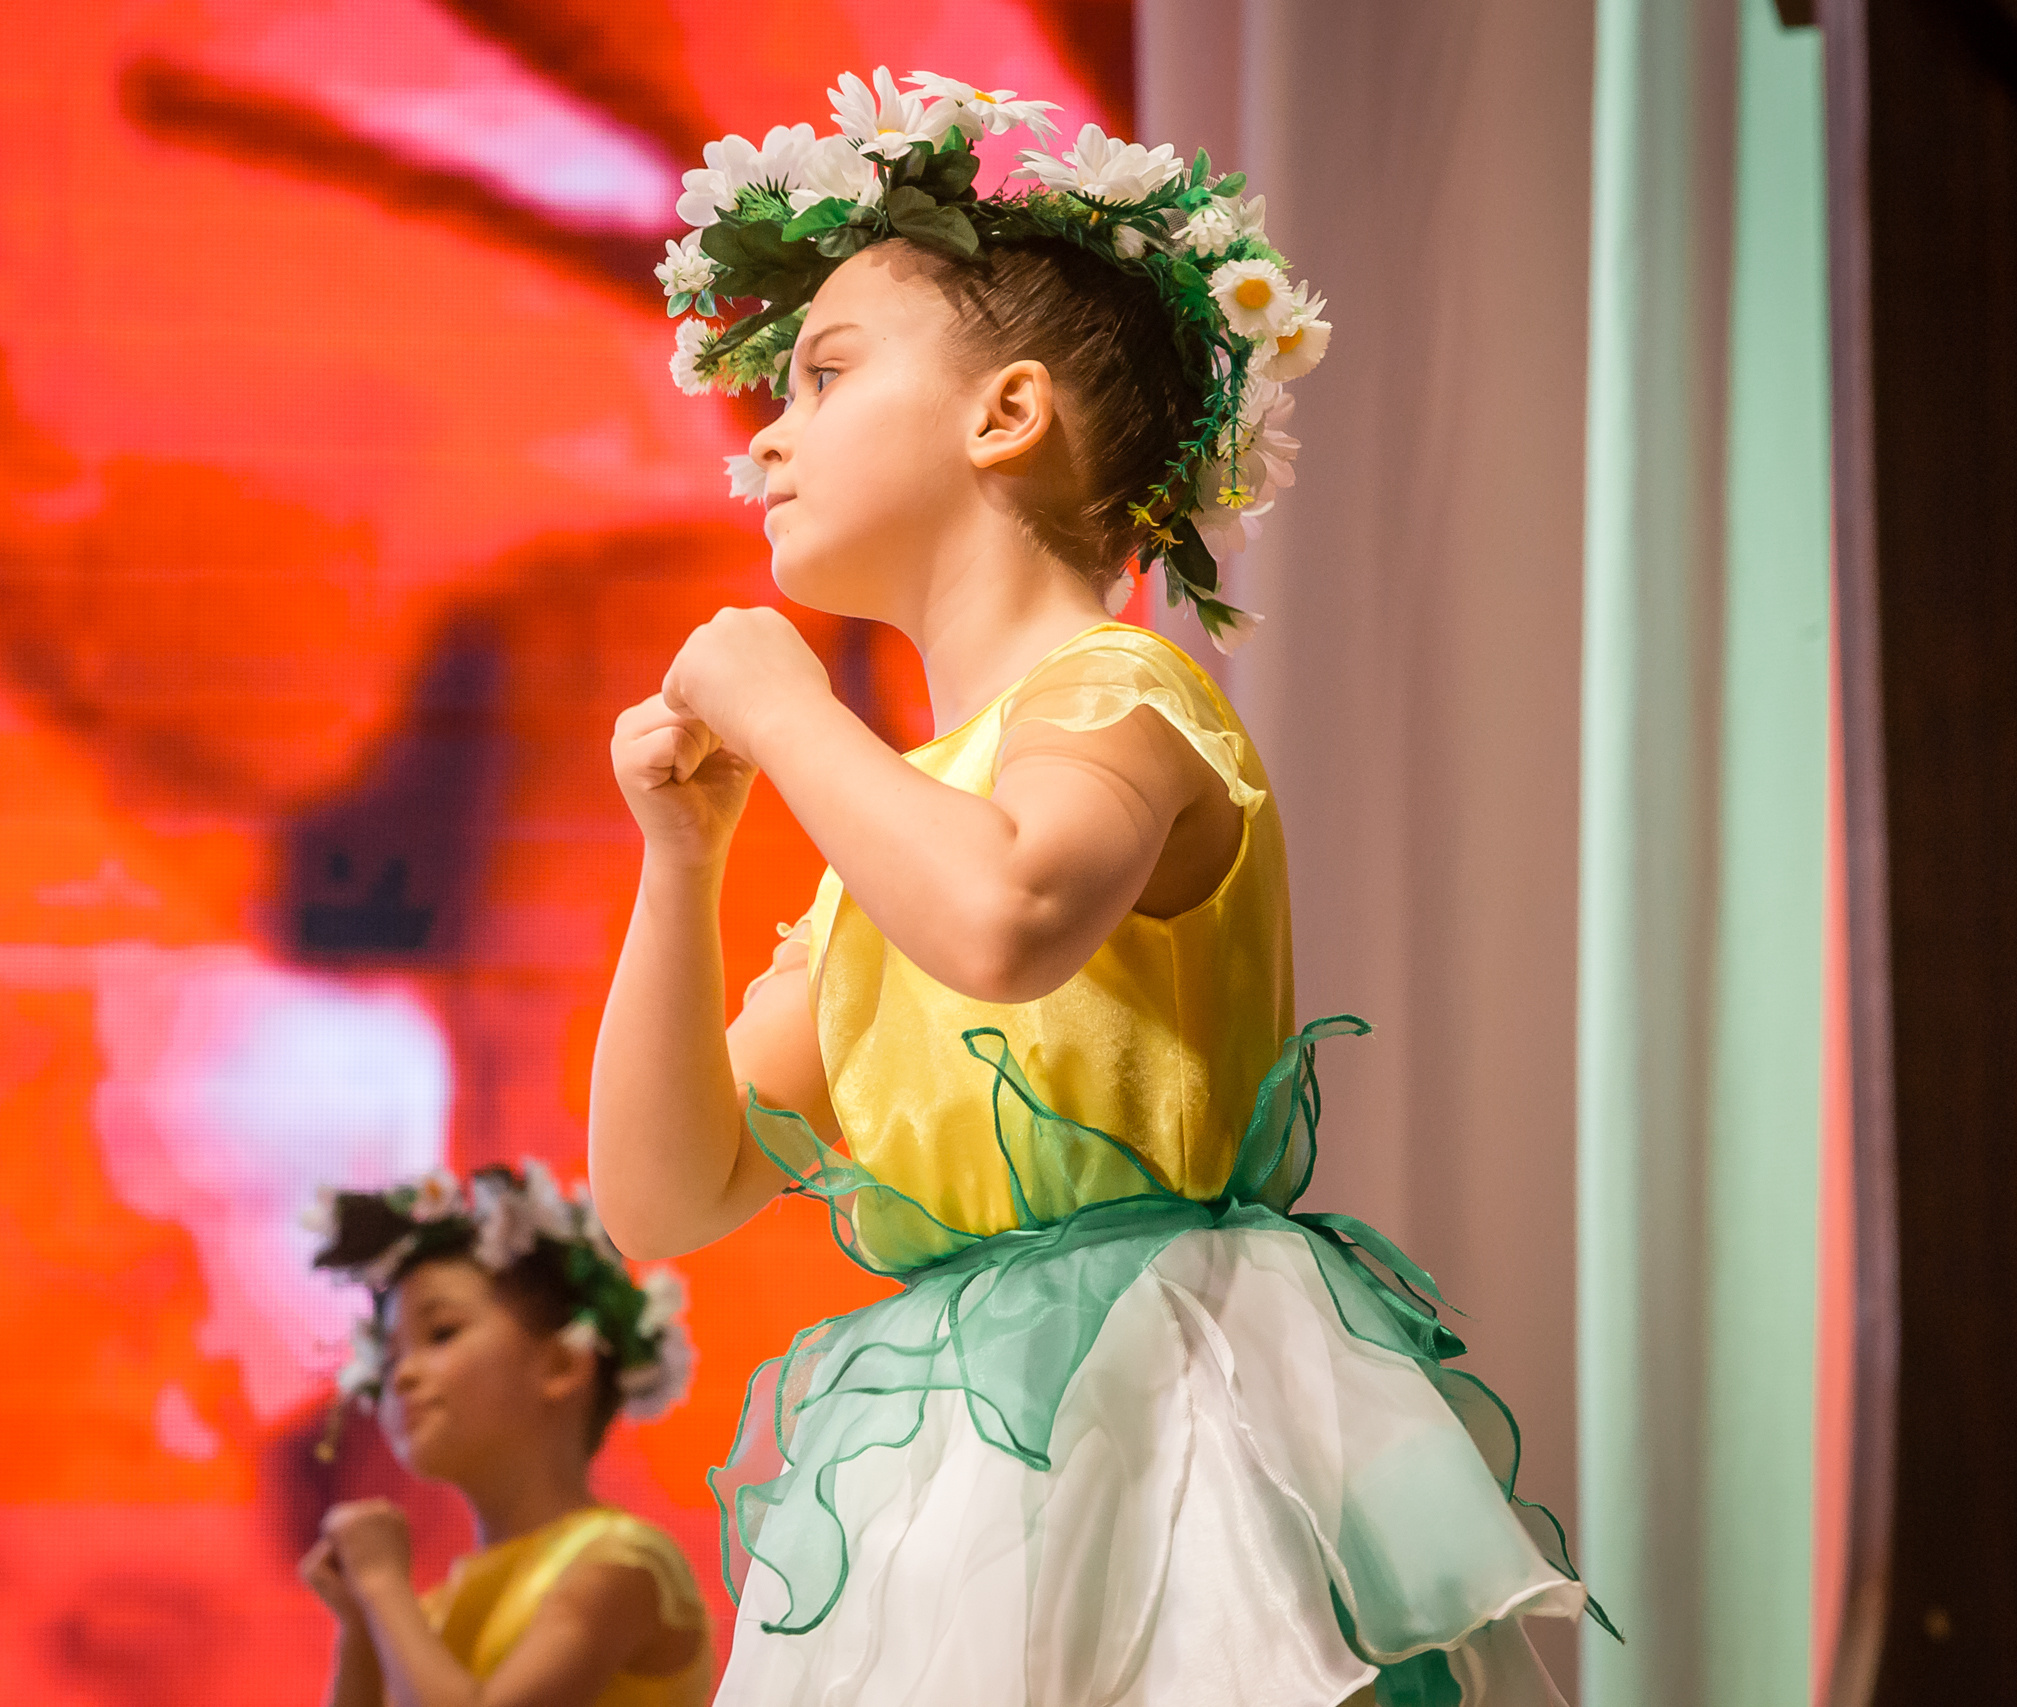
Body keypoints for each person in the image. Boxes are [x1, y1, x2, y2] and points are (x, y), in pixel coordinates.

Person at [589, 70, 1608, 1707]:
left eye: (829, 372)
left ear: (1006, 414)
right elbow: (667, 1192)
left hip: (1164, 1395)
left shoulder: (1120, 696)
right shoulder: (901, 826)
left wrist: (787, 712)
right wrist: (682, 857)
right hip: (963, 1449)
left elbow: (1006, 923)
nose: (766, 432)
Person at [300, 1163, 711, 1707]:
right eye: (392, 1355)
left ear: (561, 1365)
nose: (399, 1376)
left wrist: (380, 1583)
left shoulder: (618, 1567)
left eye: (441, 1333)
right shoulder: (432, 1615)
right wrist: (359, 1622)